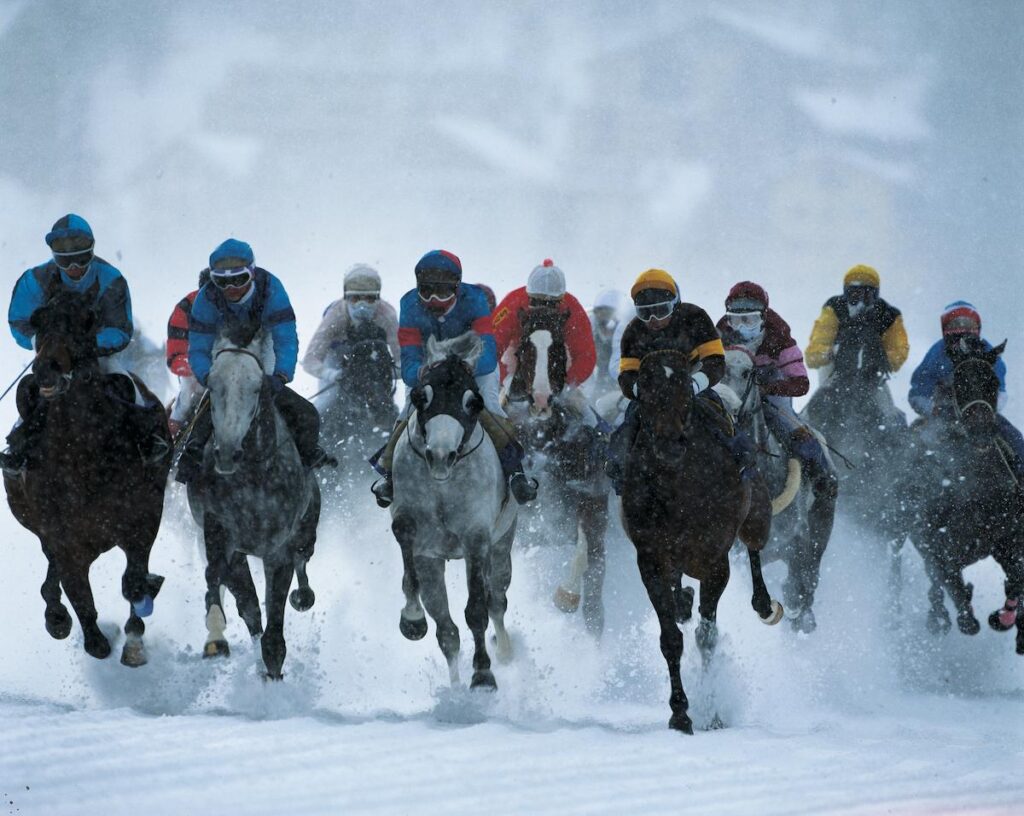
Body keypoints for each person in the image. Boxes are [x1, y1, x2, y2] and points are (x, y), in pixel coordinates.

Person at [370, 249, 537, 507]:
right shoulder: (409, 304)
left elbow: (488, 351)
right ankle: (389, 474)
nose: (435, 299)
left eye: (443, 291)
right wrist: (421, 373)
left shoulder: (475, 299)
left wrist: (469, 366)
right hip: (431, 365)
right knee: (409, 409)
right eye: (426, 291)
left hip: (474, 364)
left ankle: (515, 472)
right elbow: (410, 357)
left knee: (490, 407)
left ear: (457, 287)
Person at [2, 214, 163, 472]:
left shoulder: (110, 278)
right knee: (32, 390)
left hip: (96, 353)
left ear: (92, 251)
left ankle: (148, 439)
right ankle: (18, 447)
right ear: (54, 256)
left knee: (123, 382)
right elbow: (18, 322)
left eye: (81, 258)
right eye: (65, 260)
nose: (74, 267)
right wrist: (41, 342)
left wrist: (88, 344)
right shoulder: (34, 280)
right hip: (53, 355)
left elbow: (121, 329)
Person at [175, 239, 333, 483]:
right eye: (222, 282)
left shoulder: (271, 288)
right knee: (211, 400)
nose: (230, 288)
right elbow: (198, 347)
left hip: (263, 345)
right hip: (224, 347)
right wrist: (208, 376)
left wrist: (280, 375)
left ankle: (306, 460)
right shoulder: (206, 298)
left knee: (307, 413)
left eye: (238, 279)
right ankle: (192, 452)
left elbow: (285, 337)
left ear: (252, 273)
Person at [605, 268, 744, 492]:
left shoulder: (696, 318)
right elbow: (627, 374)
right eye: (645, 313)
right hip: (651, 393)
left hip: (694, 386)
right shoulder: (632, 331)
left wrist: (696, 383)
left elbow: (716, 361)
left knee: (718, 417)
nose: (653, 321)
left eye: (661, 311)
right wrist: (640, 390)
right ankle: (617, 468)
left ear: (675, 304)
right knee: (629, 422)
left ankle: (742, 461)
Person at [716, 281, 837, 532]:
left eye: (749, 320)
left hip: (770, 392)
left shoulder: (779, 334)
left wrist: (767, 389)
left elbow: (801, 383)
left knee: (792, 428)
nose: (741, 327)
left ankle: (823, 477)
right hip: (729, 390)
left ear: (763, 317)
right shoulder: (718, 333)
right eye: (736, 320)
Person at [908, 300, 1023, 470]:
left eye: (967, 323)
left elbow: (1000, 391)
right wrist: (933, 409)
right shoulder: (936, 353)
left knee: (1015, 440)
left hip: (982, 415)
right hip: (942, 416)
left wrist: (987, 410)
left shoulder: (987, 352)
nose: (961, 329)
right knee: (913, 447)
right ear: (945, 328)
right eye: (955, 324)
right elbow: (918, 391)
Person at [491, 259, 597, 418]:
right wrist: (504, 380)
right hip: (516, 364)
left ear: (562, 299)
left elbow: (586, 355)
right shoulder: (512, 304)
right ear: (528, 296)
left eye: (551, 304)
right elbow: (490, 348)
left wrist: (567, 384)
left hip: (559, 368)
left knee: (588, 419)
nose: (544, 308)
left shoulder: (573, 309)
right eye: (537, 301)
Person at [301, 264, 399, 391]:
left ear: (378, 297)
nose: (362, 305)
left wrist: (385, 372)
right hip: (337, 359)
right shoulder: (336, 315)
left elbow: (403, 361)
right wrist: (334, 375)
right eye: (355, 298)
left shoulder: (387, 316)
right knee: (327, 401)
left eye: (369, 298)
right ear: (345, 297)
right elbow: (310, 360)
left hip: (375, 356)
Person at [165, 268, 210, 437]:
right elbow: (175, 357)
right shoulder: (185, 308)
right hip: (195, 374)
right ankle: (173, 436)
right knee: (187, 395)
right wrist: (201, 368)